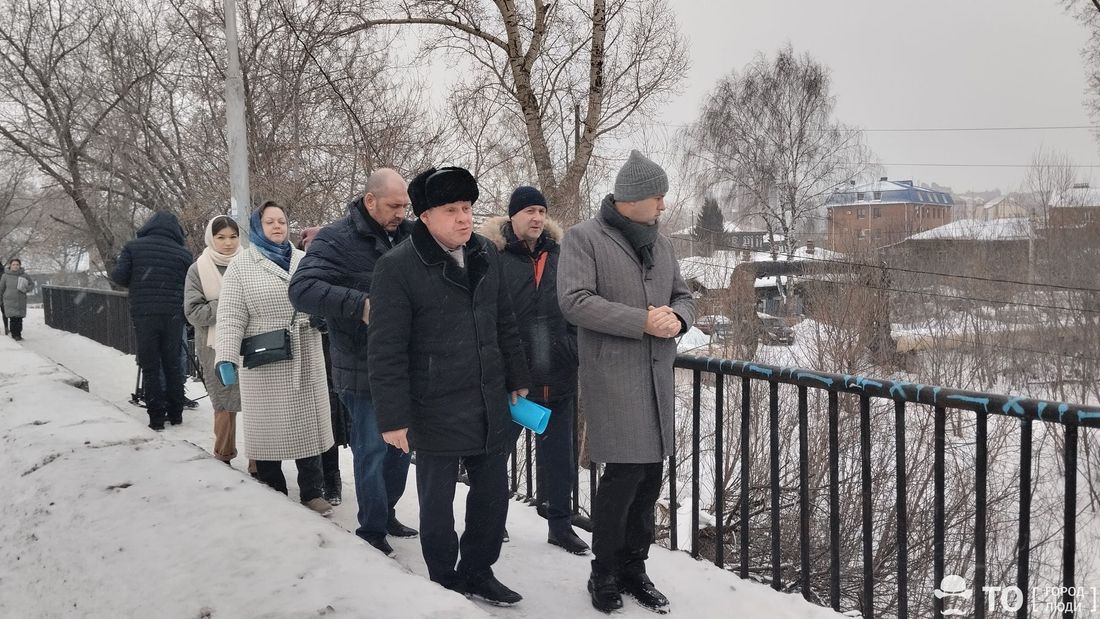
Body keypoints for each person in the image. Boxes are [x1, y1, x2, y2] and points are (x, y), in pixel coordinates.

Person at [368, 166, 531, 606]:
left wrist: (516, 376)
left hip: (486, 397)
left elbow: (505, 320)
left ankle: (478, 570)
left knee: (492, 494)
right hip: (433, 403)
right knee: (437, 504)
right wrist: (394, 417)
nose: (464, 218)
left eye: (468, 208)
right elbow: (385, 350)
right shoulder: (398, 267)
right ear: (424, 216)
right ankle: (443, 579)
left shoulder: (484, 253)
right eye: (451, 209)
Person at [557, 150, 695, 614]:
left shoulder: (664, 243)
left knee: (650, 478)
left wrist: (678, 317)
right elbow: (575, 301)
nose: (662, 206)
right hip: (614, 377)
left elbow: (683, 294)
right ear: (633, 198)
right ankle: (604, 573)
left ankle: (635, 568)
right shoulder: (584, 238)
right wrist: (641, 321)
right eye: (658, 197)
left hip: (657, 378)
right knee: (623, 477)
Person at [288, 169, 417, 555]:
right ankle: (372, 529)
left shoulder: (411, 236)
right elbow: (302, 289)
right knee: (373, 449)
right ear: (370, 200)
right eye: (394, 206)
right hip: (360, 363)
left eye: (406, 206)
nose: (401, 213)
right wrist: (359, 305)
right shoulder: (335, 238)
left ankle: (386, 512)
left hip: (404, 363)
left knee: (401, 449)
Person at [478, 186, 588, 555]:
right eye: (528, 211)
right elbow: (485, 315)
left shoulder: (563, 255)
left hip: (558, 374)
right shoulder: (492, 255)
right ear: (512, 216)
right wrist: (501, 369)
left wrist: (571, 349)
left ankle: (560, 525)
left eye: (541, 210)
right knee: (495, 457)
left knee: (560, 459)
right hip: (511, 380)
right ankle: (492, 522)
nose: (537, 218)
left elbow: (579, 304)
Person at [214, 201, 334, 516]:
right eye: (270, 222)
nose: (278, 226)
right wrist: (225, 357)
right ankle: (273, 489)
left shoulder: (304, 260)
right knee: (269, 433)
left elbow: (323, 297)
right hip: (265, 360)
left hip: (305, 351)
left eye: (281, 220)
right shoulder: (242, 266)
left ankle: (312, 491)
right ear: (258, 227)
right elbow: (230, 316)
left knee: (307, 427)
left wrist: (325, 318)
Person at [110, 211, 194, 430]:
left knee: (150, 366)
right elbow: (190, 286)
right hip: (174, 315)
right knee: (172, 364)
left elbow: (119, 277)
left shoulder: (133, 247)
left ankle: (156, 417)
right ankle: (176, 413)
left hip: (145, 314)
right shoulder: (183, 254)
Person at [295, 226, 352, 508]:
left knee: (330, 419)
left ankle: (332, 479)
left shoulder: (338, 267)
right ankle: (315, 481)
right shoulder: (300, 273)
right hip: (303, 356)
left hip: (333, 356)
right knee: (309, 420)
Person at [183, 216, 244, 464]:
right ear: (211, 238)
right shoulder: (198, 268)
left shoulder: (250, 262)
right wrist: (229, 301)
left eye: (232, 236)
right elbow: (194, 312)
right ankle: (223, 455)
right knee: (224, 399)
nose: (228, 243)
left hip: (250, 340)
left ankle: (260, 463)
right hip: (214, 345)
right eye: (221, 237)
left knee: (256, 401)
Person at [0, 258, 34, 341]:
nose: (15, 266)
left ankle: (18, 334)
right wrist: (2, 299)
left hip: (20, 300)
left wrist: (26, 289)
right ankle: (15, 335)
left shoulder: (24, 275)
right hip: (9, 300)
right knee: (13, 318)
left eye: (17, 264)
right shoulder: (5, 276)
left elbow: (31, 284)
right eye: (13, 264)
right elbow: (1, 288)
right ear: (10, 265)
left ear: (20, 265)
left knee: (19, 319)